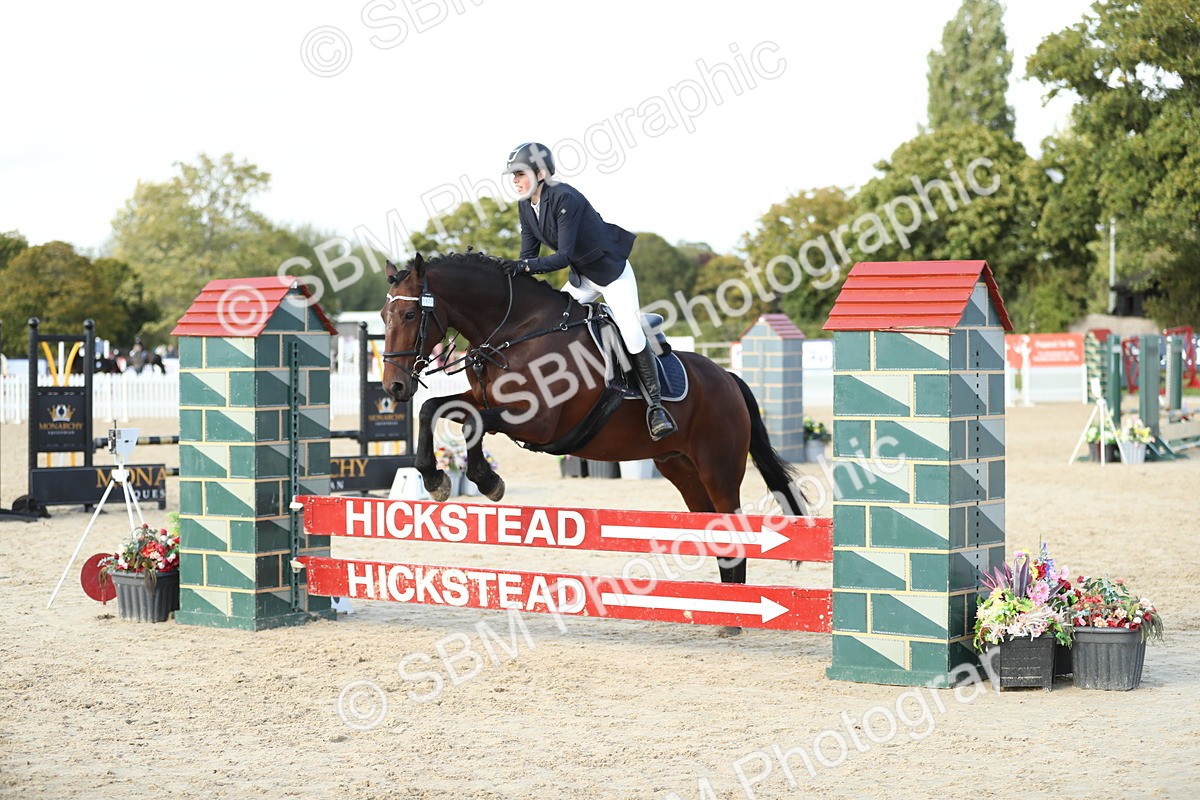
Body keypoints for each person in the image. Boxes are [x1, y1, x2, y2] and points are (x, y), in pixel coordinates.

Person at [502, 142, 676, 441]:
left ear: (541, 174)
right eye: (513, 175)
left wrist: (523, 267)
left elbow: (562, 256)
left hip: (611, 275)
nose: (515, 180)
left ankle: (656, 407)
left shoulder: (565, 197)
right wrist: (507, 272)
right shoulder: (525, 206)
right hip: (582, 278)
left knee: (631, 333)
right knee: (548, 323)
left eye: (520, 174)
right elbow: (527, 256)